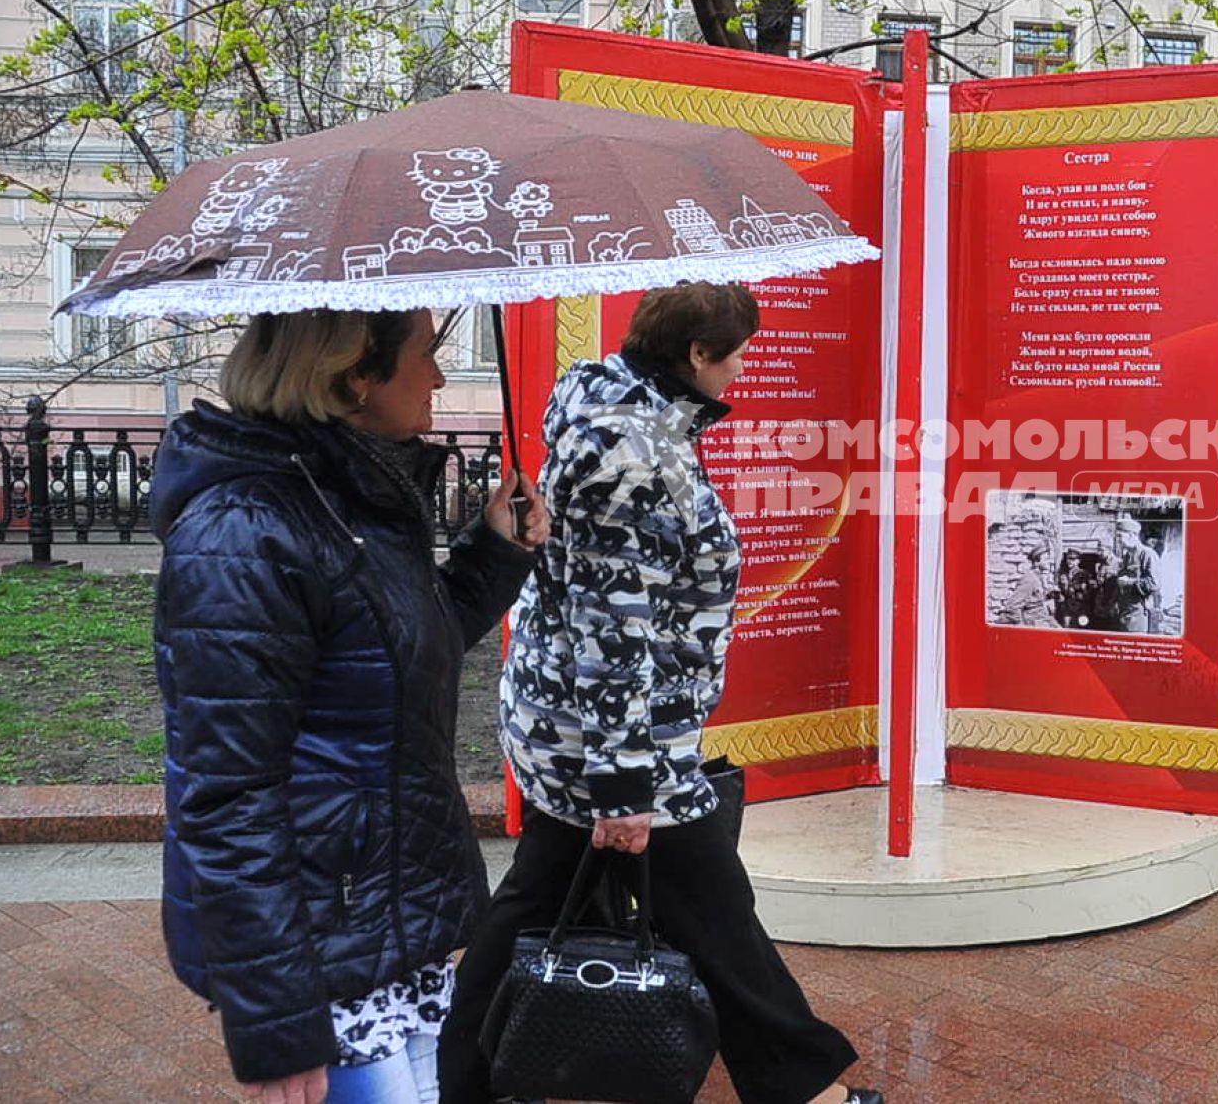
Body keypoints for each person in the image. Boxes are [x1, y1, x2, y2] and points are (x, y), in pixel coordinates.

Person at [439, 282, 883, 1104]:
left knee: (544, 902)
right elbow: (616, 626)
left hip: (581, 722)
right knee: (716, 912)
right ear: (696, 355)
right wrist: (623, 787)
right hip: (613, 739)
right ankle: (804, 1087)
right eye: (736, 352)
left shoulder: (622, 407)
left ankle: (457, 1075)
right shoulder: (628, 452)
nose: (743, 369)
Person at [152, 308, 550, 1104]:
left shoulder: (349, 495)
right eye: (424, 356)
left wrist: (496, 552)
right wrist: (278, 1026)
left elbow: (394, 651)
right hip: (322, 953)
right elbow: (226, 796)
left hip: (381, 919)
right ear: (353, 375)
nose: (437, 377)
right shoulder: (245, 531)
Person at [1104, 516, 1161, 633]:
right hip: (1124, 610)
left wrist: (1130, 582)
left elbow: (1154, 584)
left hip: (1138, 612)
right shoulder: (1127, 556)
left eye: (1120, 536)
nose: (1118, 540)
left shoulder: (1147, 554)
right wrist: (1113, 603)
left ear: (1131, 535)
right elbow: (1120, 582)